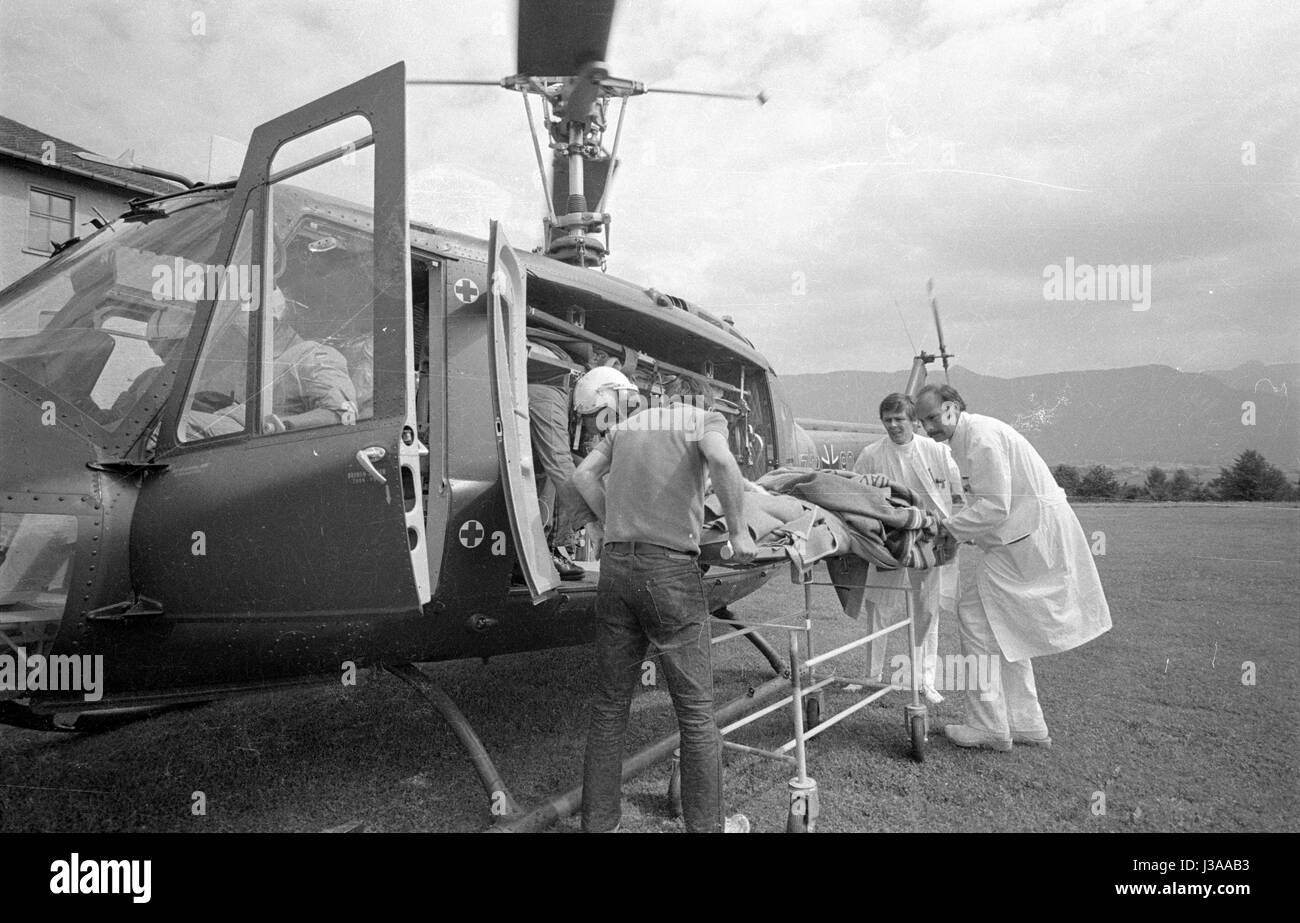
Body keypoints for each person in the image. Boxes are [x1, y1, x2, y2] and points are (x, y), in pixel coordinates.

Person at [572, 375, 757, 833]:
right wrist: (738, 532)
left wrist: (613, 519)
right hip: (670, 573)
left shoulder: (627, 427)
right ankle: (708, 827)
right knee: (695, 713)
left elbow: (582, 475)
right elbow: (722, 460)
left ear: (660, 397)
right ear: (703, 399)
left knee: (610, 705)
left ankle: (599, 825)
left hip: (615, 570)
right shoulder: (705, 419)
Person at [913, 383, 1112, 751]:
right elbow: (989, 503)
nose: (928, 428)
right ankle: (1026, 724)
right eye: (922, 421)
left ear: (953, 407)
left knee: (975, 616)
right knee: (1001, 626)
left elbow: (995, 507)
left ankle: (990, 726)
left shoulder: (981, 439)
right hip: (1025, 540)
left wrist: (948, 530)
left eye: (933, 417)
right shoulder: (970, 437)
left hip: (1028, 540)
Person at [852, 392, 962, 704]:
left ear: (912, 420)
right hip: (888, 540)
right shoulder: (872, 453)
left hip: (929, 538)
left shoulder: (936, 451)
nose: (893, 425)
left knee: (926, 609)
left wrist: (951, 528)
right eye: (887, 420)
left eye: (899, 419)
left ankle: (924, 679)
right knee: (878, 606)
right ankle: (871, 676)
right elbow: (858, 493)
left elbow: (956, 493)